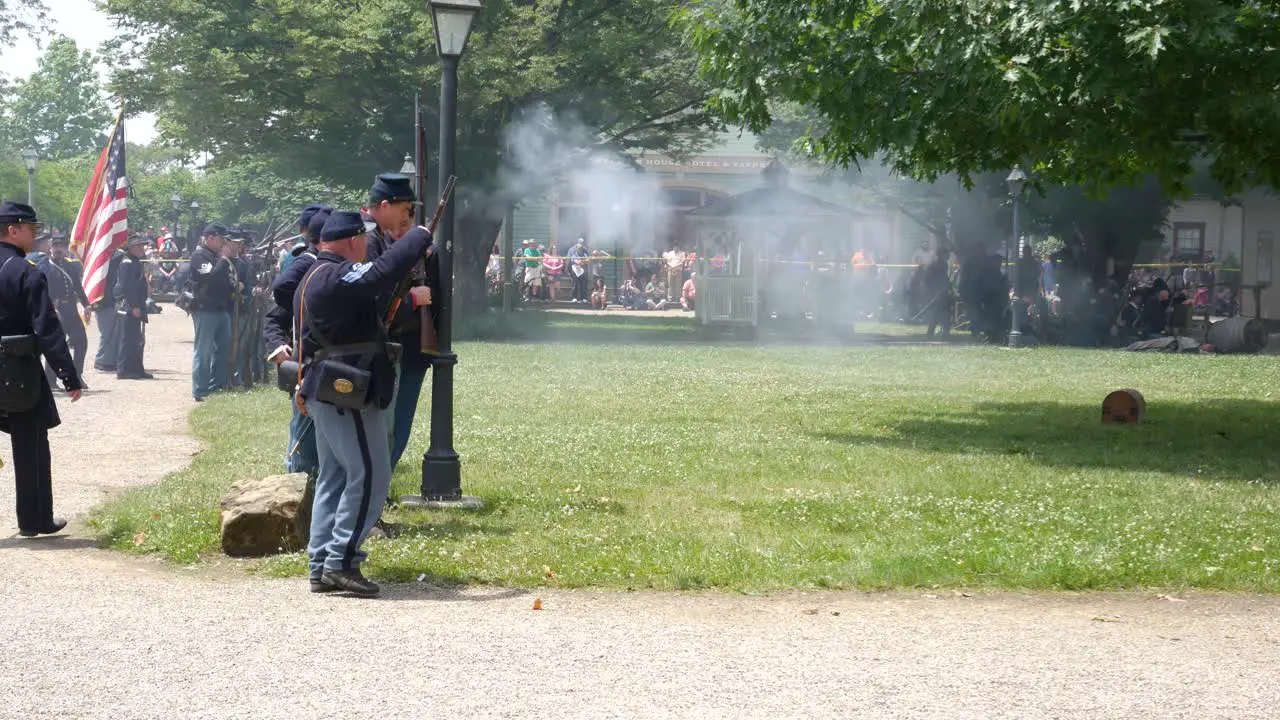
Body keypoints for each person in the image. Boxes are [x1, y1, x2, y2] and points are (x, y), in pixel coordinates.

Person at [294, 210, 433, 596]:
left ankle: (322, 562)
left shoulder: (318, 275)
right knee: (370, 474)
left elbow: (365, 312)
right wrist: (418, 235)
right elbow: (378, 273)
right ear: (355, 240)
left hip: (331, 384)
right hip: (345, 388)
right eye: (365, 240)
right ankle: (342, 559)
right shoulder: (334, 275)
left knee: (335, 477)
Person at [0, 202, 84, 537]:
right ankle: (34, 520)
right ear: (13, 229)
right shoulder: (25, 270)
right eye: (31, 229)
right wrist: (68, 374)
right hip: (17, 371)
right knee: (31, 443)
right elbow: (47, 328)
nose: (35, 236)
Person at [363, 173, 439, 471]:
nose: (407, 217)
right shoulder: (369, 241)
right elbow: (376, 299)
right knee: (385, 424)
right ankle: (374, 493)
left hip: (409, 345)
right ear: (386, 205)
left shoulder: (392, 242)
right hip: (382, 347)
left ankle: (380, 487)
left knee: (399, 424)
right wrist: (411, 299)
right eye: (406, 210)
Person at [187, 223, 236, 401]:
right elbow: (211, 276)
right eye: (221, 239)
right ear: (210, 238)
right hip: (205, 308)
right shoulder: (199, 256)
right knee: (204, 351)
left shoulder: (216, 255)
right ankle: (200, 390)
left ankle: (217, 386)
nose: (223, 243)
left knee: (223, 349)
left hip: (221, 308)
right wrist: (224, 259)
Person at [38, 232, 91, 386]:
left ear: (66, 247)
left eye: (61, 246)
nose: (58, 249)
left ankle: (77, 375)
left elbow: (78, 287)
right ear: (50, 247)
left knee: (81, 342)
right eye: (55, 246)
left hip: (71, 310)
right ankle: (51, 379)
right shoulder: (44, 265)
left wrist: (86, 304)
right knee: (56, 345)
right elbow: (41, 289)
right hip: (55, 310)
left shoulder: (70, 265)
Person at [113, 234, 153, 379]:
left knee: (136, 339)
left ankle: (136, 369)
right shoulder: (127, 263)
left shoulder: (135, 261)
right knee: (128, 339)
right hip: (129, 306)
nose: (142, 248)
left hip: (136, 304)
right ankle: (124, 370)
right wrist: (135, 305)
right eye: (139, 246)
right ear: (131, 247)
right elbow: (128, 287)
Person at [92, 245, 126, 372]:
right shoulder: (100, 262)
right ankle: (102, 360)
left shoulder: (115, 259)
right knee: (107, 333)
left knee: (115, 332)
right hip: (102, 302)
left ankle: (110, 360)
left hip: (112, 301)